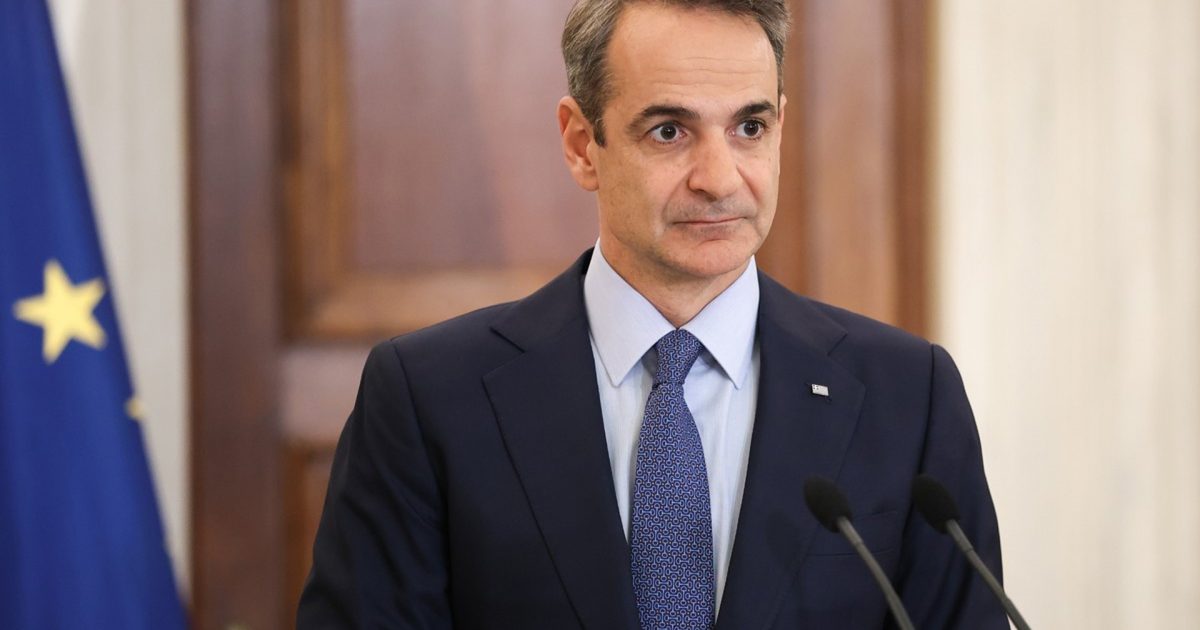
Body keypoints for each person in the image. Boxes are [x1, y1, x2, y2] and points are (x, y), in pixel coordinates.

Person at [298, 1, 1008, 628]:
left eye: (749, 127)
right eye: (670, 131)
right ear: (582, 144)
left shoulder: (908, 397)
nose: (720, 179)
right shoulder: (428, 399)